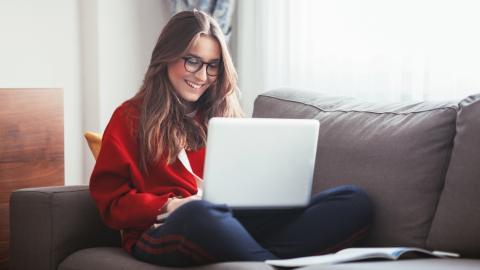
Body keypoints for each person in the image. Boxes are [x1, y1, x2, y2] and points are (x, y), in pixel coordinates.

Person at [89, 9, 374, 267]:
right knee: (200, 214)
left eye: (213, 65)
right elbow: (111, 204)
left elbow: (245, 182)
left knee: (354, 200)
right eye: (192, 62)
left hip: (235, 222)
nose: (202, 76)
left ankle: (258, 258)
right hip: (169, 228)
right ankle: (267, 259)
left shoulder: (222, 113)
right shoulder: (130, 117)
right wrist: (169, 205)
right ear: (166, 57)